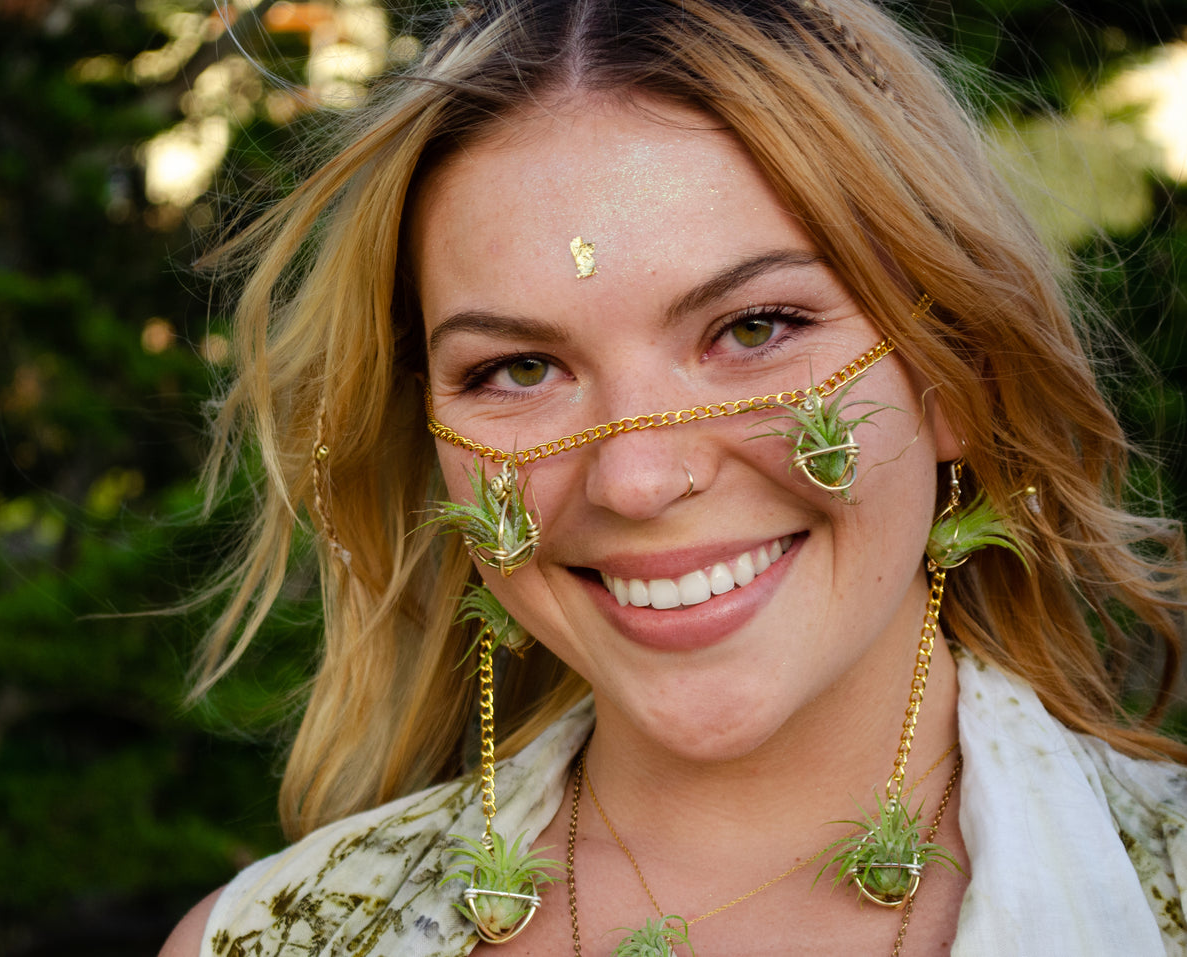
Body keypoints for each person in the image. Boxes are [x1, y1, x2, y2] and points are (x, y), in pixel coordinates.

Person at [163, 1, 1187, 954]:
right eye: (517, 370)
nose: (638, 480)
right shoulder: (270, 937)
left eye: (754, 328)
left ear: (957, 377)